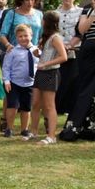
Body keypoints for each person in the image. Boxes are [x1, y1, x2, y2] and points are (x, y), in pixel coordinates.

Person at [28, 12, 67, 144]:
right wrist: (38, 55)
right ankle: (33, 131)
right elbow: (47, 55)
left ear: (46, 21)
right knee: (35, 104)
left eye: (43, 19)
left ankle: (51, 136)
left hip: (51, 73)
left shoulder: (56, 38)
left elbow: (63, 57)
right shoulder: (46, 37)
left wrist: (45, 63)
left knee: (49, 106)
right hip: (41, 73)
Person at [62, 0, 95, 139]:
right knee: (86, 87)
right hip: (89, 51)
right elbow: (82, 30)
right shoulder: (88, 9)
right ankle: (78, 126)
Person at [2, 24, 38, 138]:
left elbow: (39, 64)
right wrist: (6, 81)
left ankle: (24, 129)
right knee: (12, 106)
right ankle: (9, 128)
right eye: (20, 36)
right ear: (16, 38)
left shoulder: (36, 50)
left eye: (25, 35)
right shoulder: (12, 51)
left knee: (26, 107)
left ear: (31, 35)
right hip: (14, 83)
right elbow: (6, 67)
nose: (23, 38)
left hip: (30, 83)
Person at [55, 0, 82, 115]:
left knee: (73, 79)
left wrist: (70, 45)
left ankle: (70, 107)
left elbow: (82, 31)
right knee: (59, 79)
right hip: (59, 50)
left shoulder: (81, 12)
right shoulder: (55, 12)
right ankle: (58, 106)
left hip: (75, 49)